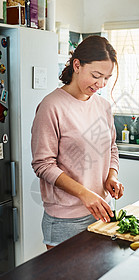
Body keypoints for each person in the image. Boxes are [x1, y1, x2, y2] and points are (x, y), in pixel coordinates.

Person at [31, 35, 124, 250]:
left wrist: (112, 175)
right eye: (96, 75)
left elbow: (111, 148)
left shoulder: (103, 106)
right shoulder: (51, 106)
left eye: (107, 78)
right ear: (77, 65)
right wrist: (84, 194)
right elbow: (43, 164)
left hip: (102, 211)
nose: (100, 84)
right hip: (66, 219)